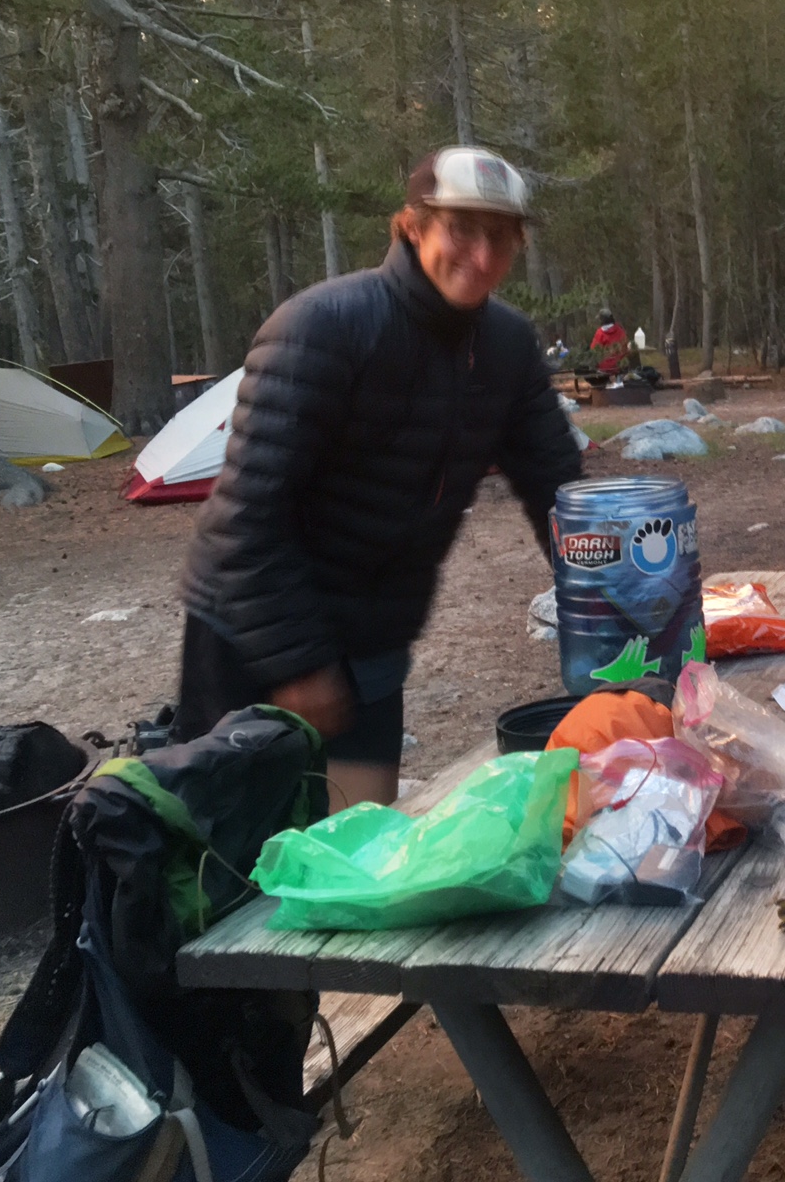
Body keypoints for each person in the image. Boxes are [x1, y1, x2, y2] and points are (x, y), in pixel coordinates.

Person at [174, 146, 584, 810]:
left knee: (358, 843)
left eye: (501, 236)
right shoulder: (324, 327)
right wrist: (299, 665)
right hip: (253, 634)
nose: (482, 257)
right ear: (413, 226)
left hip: (373, 636)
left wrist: (622, 605)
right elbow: (242, 523)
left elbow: (562, 493)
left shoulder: (505, 346)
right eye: (461, 229)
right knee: (235, 851)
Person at [590, 308, 630, 375]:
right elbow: (626, 347)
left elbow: (593, 350)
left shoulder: (600, 333)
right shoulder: (620, 330)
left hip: (605, 368)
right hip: (620, 366)